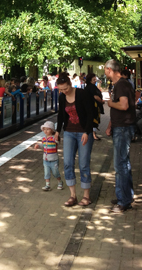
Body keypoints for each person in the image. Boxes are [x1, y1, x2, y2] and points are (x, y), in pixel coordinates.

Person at [55, 72, 95, 207]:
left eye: (65, 88)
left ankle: (86, 196)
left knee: (83, 163)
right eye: (61, 89)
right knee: (67, 162)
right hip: (69, 133)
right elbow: (61, 115)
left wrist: (87, 131)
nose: (64, 91)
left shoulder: (82, 94)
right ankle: (73, 195)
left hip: (83, 133)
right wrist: (57, 131)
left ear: (70, 84)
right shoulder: (62, 97)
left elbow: (91, 114)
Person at [104, 59, 136, 213]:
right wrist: (110, 125)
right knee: (125, 164)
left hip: (122, 128)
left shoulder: (121, 85)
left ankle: (123, 201)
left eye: (105, 69)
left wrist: (110, 104)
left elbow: (123, 105)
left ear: (109, 69)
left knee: (120, 165)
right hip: (122, 127)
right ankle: (126, 196)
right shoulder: (124, 84)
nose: (104, 72)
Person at [34, 121, 64, 191]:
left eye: (48, 129)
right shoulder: (44, 138)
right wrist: (38, 145)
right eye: (44, 129)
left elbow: (58, 141)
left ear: (52, 130)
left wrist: (57, 137)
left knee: (55, 172)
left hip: (54, 160)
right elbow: (43, 145)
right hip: (46, 159)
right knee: (46, 173)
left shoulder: (54, 138)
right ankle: (47, 185)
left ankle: (60, 182)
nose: (46, 131)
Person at [84, 73, 104, 141]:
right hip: (93, 106)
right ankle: (93, 134)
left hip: (91, 106)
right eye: (93, 80)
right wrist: (101, 101)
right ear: (90, 80)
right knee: (94, 119)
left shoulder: (88, 86)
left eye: (95, 79)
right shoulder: (92, 87)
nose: (95, 81)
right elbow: (95, 96)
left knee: (93, 119)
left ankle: (93, 134)